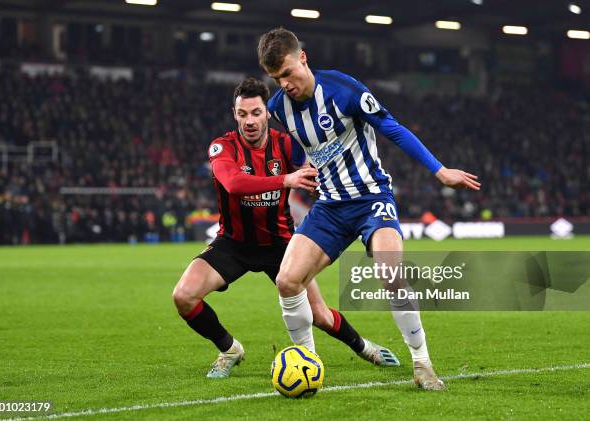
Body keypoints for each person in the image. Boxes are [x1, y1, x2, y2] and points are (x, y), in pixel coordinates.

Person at [257, 28, 481, 390]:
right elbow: (300, 148)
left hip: (371, 199)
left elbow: (393, 129)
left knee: (390, 272)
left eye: (287, 73)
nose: (284, 84)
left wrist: (439, 170)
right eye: (276, 79)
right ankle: (308, 364)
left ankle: (422, 363)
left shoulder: (345, 90)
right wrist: (297, 170)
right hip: (329, 206)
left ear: (303, 58)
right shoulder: (278, 109)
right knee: (287, 280)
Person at [172, 78, 400, 379]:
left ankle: (364, 348)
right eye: (243, 114)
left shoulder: (288, 144)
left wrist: (320, 187)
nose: (249, 121)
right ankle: (229, 349)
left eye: (256, 113)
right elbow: (234, 184)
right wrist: (285, 180)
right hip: (234, 243)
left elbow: (313, 175)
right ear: (234, 113)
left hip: (281, 244)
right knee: (183, 295)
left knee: (319, 314)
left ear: (268, 113)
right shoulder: (222, 146)